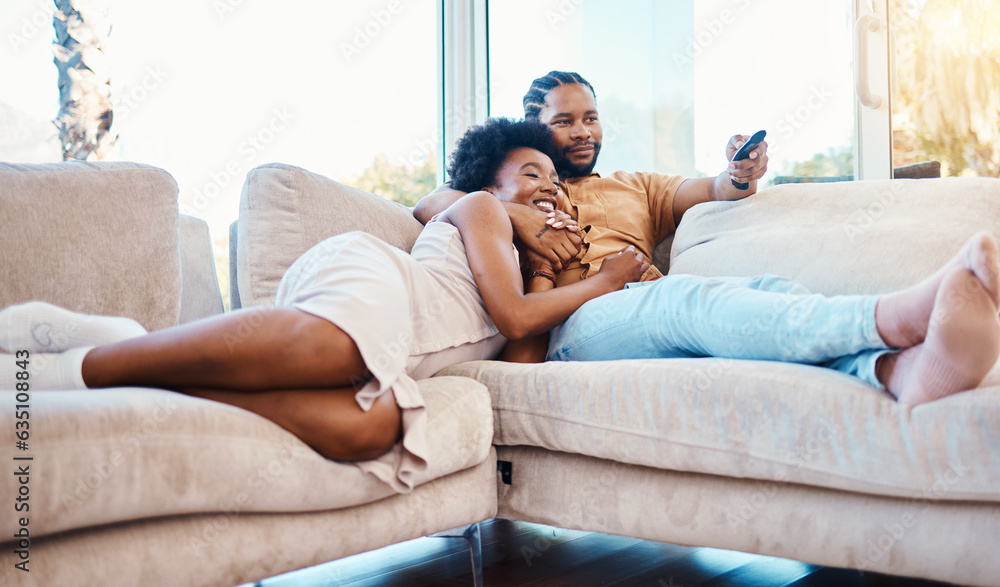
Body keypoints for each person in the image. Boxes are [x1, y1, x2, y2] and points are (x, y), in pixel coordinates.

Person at [0, 118, 646, 493]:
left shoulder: (532, 272)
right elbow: (506, 317)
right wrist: (601, 280)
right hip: (375, 282)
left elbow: (520, 356)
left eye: (556, 183)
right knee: (334, 348)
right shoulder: (478, 210)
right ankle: (75, 367)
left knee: (369, 430)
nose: (549, 190)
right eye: (531, 174)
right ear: (490, 186)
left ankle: (134, 354)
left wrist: (546, 274)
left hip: (398, 348)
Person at [413, 71, 1000, 406]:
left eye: (590, 116)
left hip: (641, 308)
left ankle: (897, 372)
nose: (583, 130)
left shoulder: (632, 185)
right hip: (582, 324)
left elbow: (716, 186)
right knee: (688, 299)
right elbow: (434, 205)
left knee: (764, 290)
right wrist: (514, 216)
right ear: (531, 126)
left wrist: (739, 172)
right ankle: (896, 314)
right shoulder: (510, 187)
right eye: (564, 120)